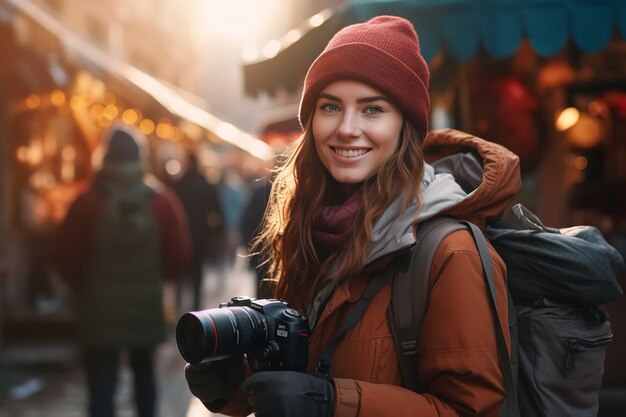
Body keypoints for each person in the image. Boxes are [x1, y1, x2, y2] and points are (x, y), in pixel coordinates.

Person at [184, 15, 521, 417]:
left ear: (404, 127)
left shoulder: (450, 253)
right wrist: (234, 389)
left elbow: (472, 410)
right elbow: (302, 377)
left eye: (372, 109)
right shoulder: (308, 229)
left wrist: (334, 404)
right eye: (330, 106)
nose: (346, 128)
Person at [51, 124, 191, 417]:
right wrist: (155, 279)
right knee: (145, 376)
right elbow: (179, 253)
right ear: (140, 158)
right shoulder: (162, 201)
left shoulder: (87, 202)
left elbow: (63, 254)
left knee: (102, 382)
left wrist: (83, 286)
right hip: (145, 307)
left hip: (98, 306)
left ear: (106, 157)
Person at [171, 150, 225, 308]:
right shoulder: (206, 185)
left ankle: (178, 304)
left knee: (181, 272)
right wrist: (216, 234)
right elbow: (217, 211)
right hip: (201, 236)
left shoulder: (178, 185)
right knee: (197, 274)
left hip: (182, 235)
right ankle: (196, 307)